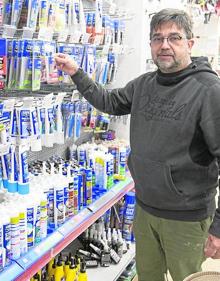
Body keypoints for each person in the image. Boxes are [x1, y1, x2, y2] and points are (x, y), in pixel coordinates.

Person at [55, 8, 220, 281]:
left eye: (174, 37)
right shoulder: (144, 84)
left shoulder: (208, 90)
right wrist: (76, 73)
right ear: (151, 45)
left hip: (186, 217)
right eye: (157, 38)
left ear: (190, 44)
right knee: (148, 276)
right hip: (145, 208)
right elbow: (109, 102)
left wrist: (218, 228)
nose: (164, 45)